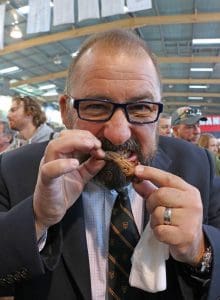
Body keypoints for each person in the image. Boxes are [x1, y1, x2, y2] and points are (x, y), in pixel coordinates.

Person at [0, 29, 220, 300]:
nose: (119, 134)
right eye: (95, 106)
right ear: (66, 111)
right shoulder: (13, 170)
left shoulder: (196, 165)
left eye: (141, 107)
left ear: (158, 109)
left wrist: (200, 251)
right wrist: (37, 219)